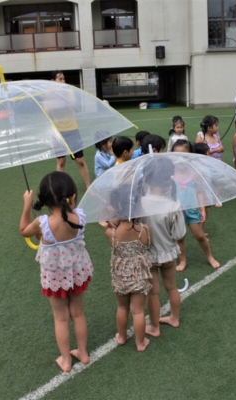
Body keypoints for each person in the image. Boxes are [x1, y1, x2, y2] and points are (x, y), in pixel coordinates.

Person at [19, 171, 93, 373]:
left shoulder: (42, 223)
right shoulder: (80, 217)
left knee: (61, 317)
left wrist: (27, 204)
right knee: (77, 313)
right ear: (72, 196)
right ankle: (83, 353)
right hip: (77, 274)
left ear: (43, 201)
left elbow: (24, 230)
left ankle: (66, 360)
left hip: (55, 278)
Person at [139, 158, 187, 337]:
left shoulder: (139, 204)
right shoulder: (174, 205)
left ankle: (154, 327)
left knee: (153, 293)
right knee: (172, 287)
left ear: (145, 179)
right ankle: (174, 318)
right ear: (169, 179)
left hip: (148, 255)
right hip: (168, 253)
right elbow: (179, 234)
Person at [104, 185, 152, 352]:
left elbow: (107, 230)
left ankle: (122, 337)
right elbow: (147, 244)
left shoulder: (111, 233)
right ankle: (140, 343)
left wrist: (111, 221)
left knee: (122, 307)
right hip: (139, 274)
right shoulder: (144, 230)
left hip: (120, 276)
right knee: (138, 311)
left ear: (116, 207)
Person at [172, 140, 220, 271]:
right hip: (176, 212)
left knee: (200, 236)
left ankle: (209, 256)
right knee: (179, 238)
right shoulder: (171, 173)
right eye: (176, 155)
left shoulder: (194, 172)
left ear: (190, 155)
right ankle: (182, 260)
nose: (180, 158)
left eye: (184, 155)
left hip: (192, 209)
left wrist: (202, 209)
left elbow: (199, 192)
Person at [51, 71, 91, 189]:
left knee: (80, 161)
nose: (63, 81)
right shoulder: (48, 95)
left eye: (63, 78)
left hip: (73, 130)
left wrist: (62, 97)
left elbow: (72, 104)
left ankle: (89, 187)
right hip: (58, 133)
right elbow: (49, 109)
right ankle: (60, 188)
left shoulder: (69, 91)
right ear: (53, 81)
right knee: (61, 162)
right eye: (59, 79)